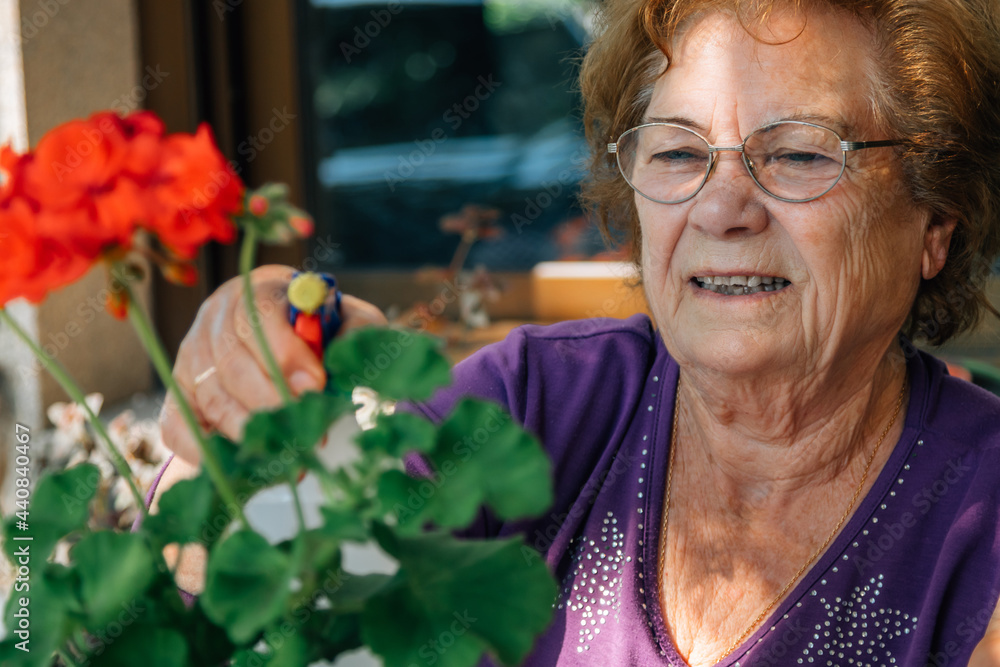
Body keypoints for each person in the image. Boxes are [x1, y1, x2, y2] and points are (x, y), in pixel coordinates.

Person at [154, 0, 1000, 664]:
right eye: (676, 153)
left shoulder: (979, 510)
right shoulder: (538, 401)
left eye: (802, 154)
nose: (721, 207)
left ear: (937, 221)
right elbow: (263, 594)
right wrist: (255, 389)